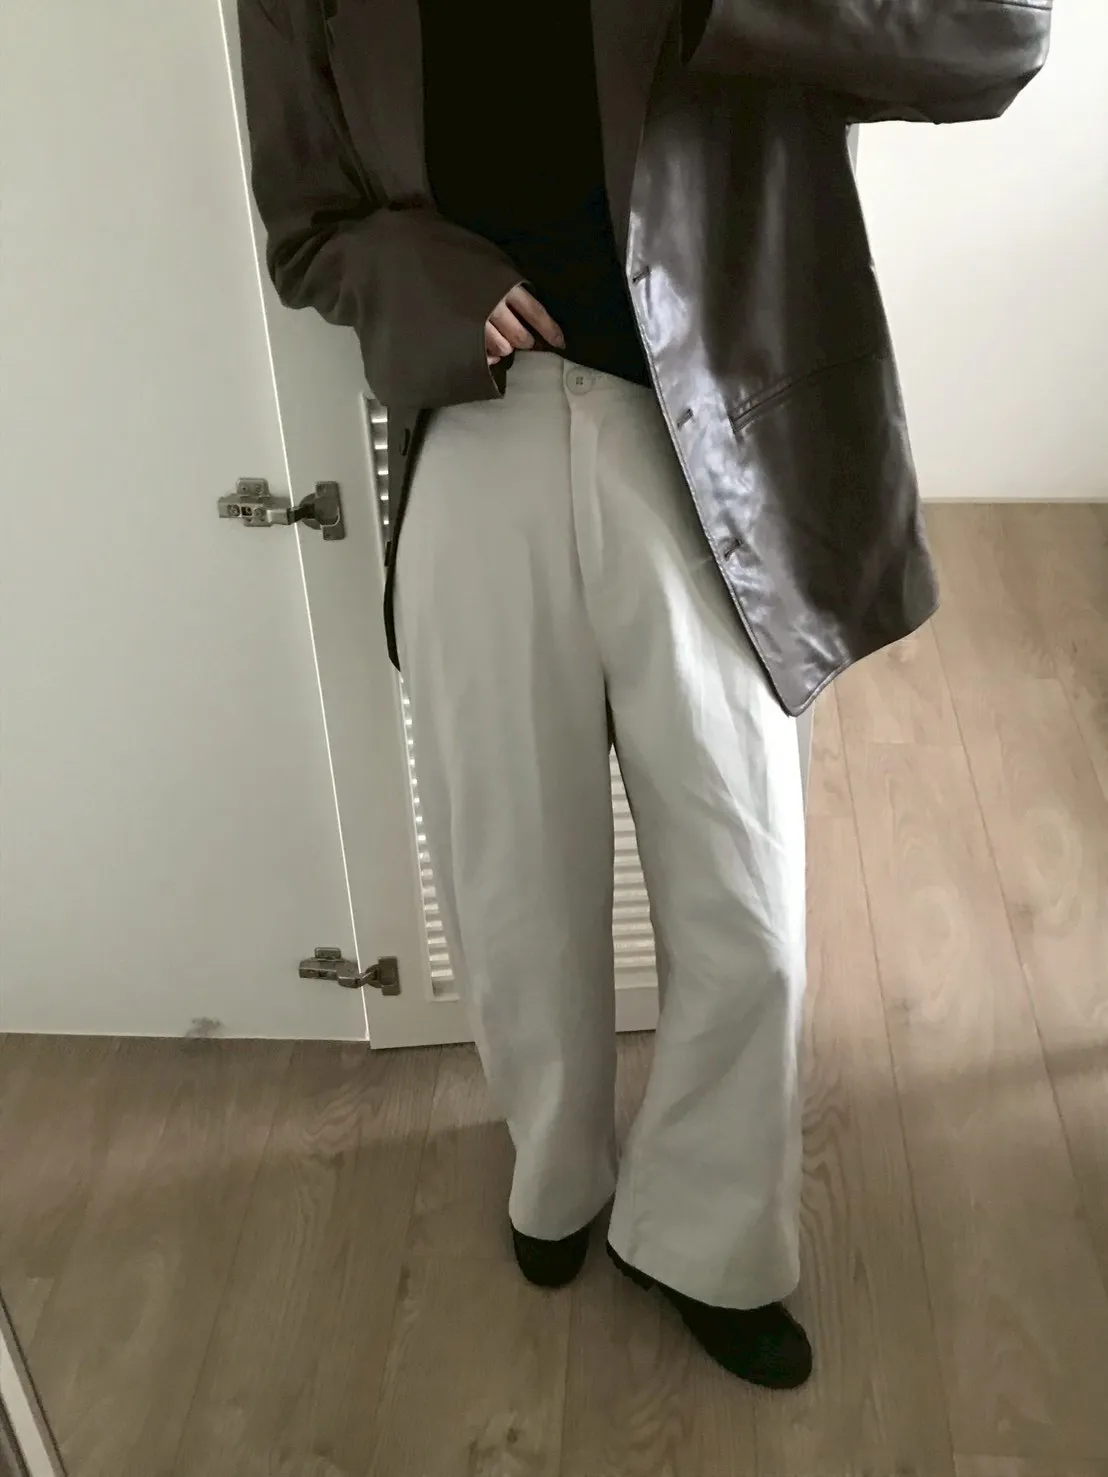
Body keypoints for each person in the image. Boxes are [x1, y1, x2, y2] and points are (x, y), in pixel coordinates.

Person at [238, 0, 1051, 1390]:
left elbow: (998, 41)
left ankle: (708, 1235)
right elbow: (310, 230)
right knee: (510, 886)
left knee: (747, 899)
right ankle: (555, 1169)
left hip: (703, 438)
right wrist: (422, 277)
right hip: (476, 431)